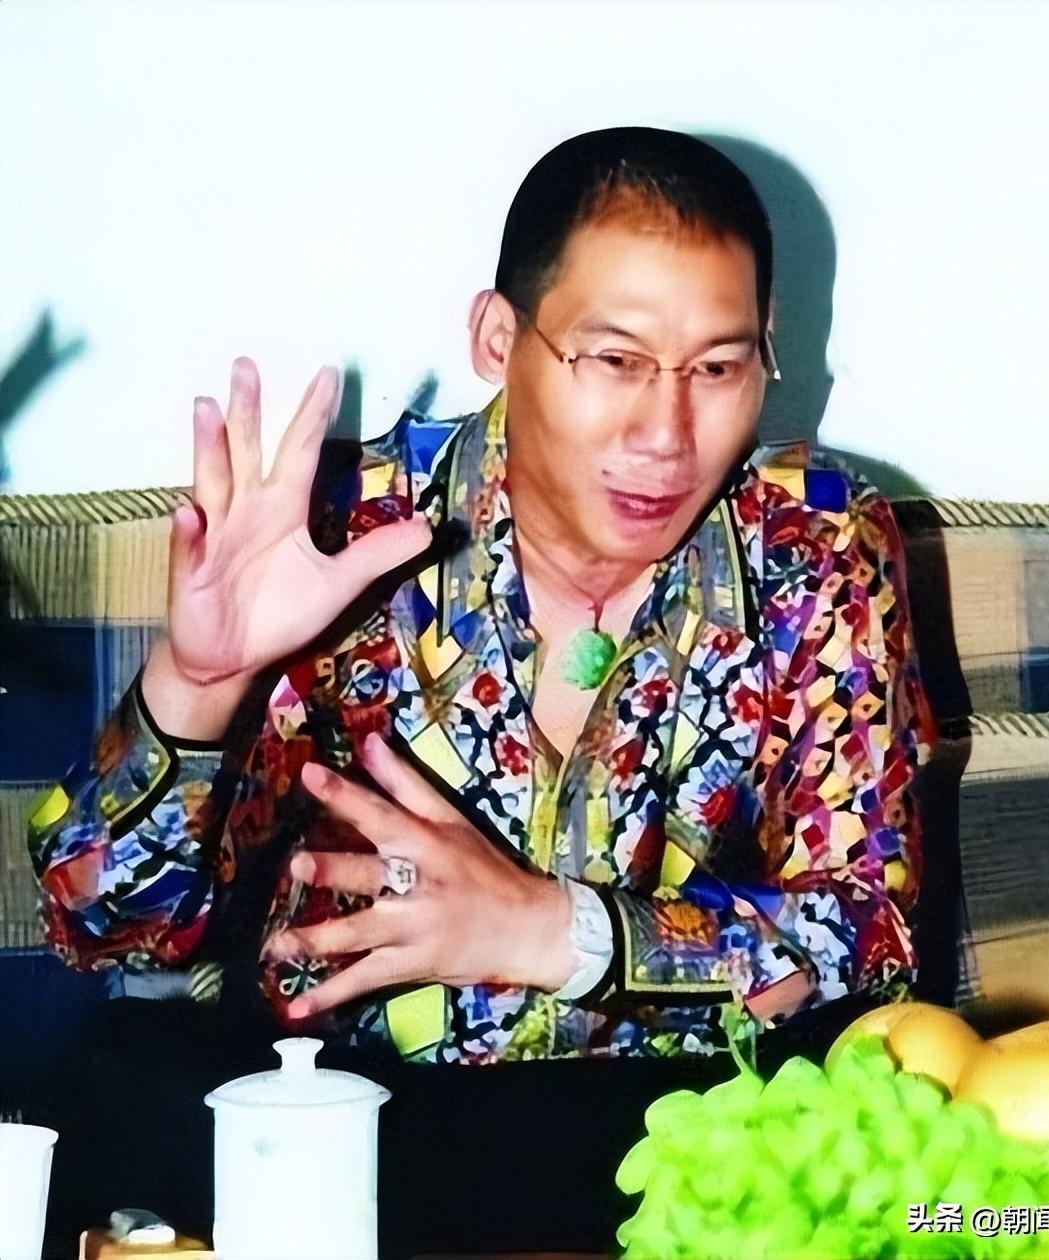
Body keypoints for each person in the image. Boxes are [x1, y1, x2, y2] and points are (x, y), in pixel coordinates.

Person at [28, 127, 935, 1254]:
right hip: (353, 1134)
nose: (665, 434)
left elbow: (873, 930)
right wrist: (197, 683)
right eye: (615, 361)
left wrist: (558, 931)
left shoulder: (814, 543)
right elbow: (105, 932)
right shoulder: (345, 535)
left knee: (937, 1141)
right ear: (498, 338)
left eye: (717, 369)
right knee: (114, 1082)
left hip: (680, 1139)